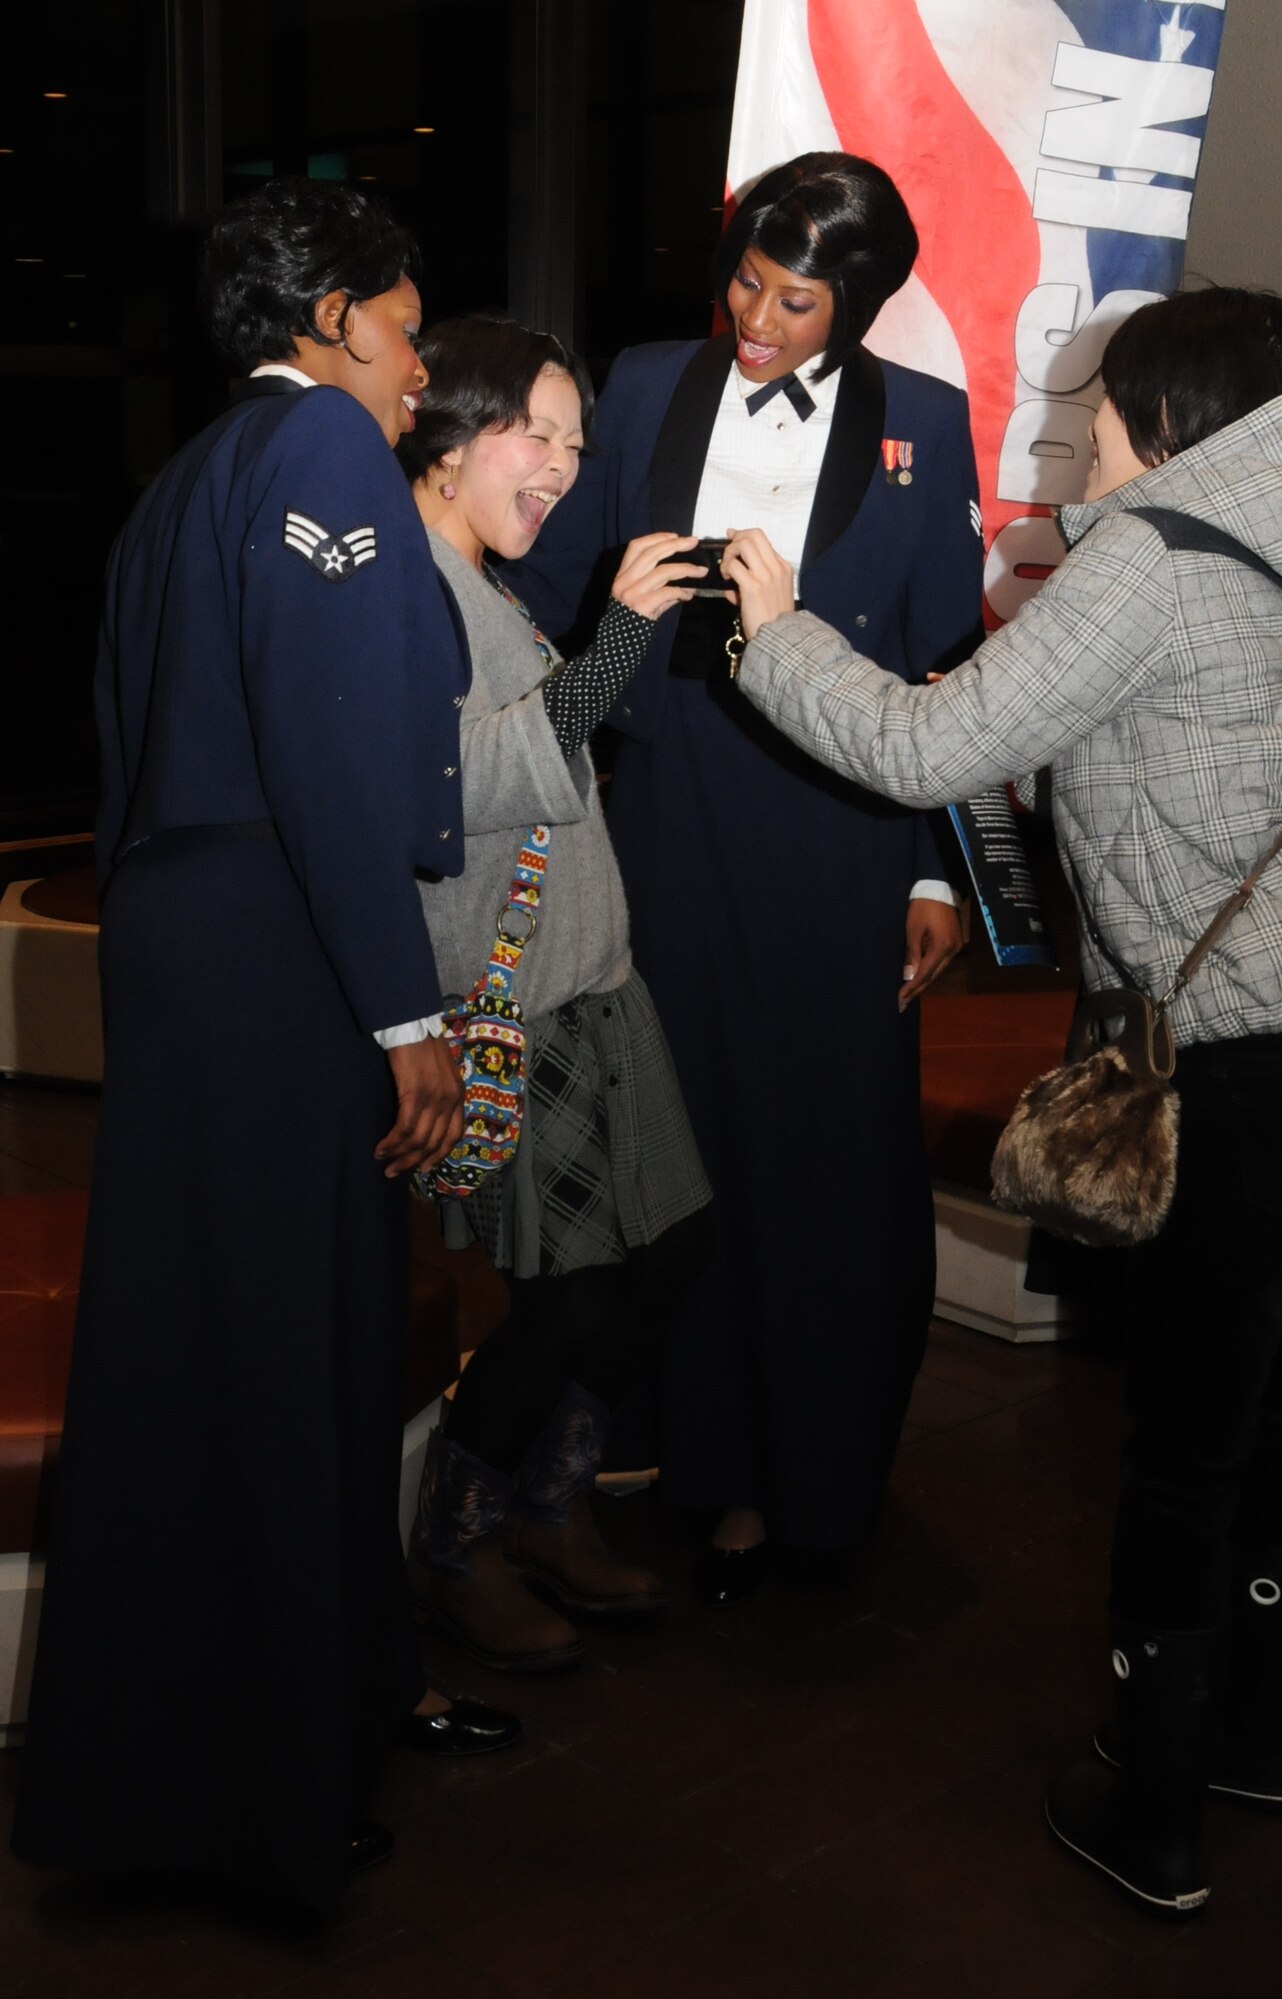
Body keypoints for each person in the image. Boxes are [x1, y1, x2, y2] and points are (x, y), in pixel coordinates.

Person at [722, 287, 1282, 1913]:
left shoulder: (1149, 557)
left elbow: (930, 748)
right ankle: (1270, 1743)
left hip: (1251, 1076)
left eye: (1098, 406)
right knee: (1258, 1423)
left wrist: (776, 628)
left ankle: (1155, 1809)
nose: (1080, 433)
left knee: (1184, 1451)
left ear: (1172, 417)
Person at [11, 179, 518, 1916]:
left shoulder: (181, 485)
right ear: (326, 325)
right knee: (286, 1367)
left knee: (204, 1361)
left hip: (191, 953)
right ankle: (273, 1798)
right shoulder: (315, 462)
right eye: (401, 319)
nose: (414, 356)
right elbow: (320, 754)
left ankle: (225, 1748)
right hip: (280, 963)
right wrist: (406, 1011)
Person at [504, 153, 981, 1600]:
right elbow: (542, 590)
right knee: (678, 1151)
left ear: (859, 300)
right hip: (663, 819)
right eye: (743, 282)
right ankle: (682, 1464)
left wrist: (934, 876)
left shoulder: (930, 424)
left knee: (828, 1166)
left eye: (791, 298)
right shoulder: (645, 385)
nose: (753, 318)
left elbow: (940, 663)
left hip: (839, 825)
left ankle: (816, 1476)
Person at [395, 314, 714, 1669]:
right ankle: (455, 1543)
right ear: (454, 433)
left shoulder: (473, 576)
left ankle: (547, 1504)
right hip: (514, 1006)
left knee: (666, 1256)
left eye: (578, 443)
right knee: (571, 1299)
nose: (566, 465)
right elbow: (480, 779)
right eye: (542, 432)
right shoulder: (406, 590)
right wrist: (621, 638)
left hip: (591, 989)